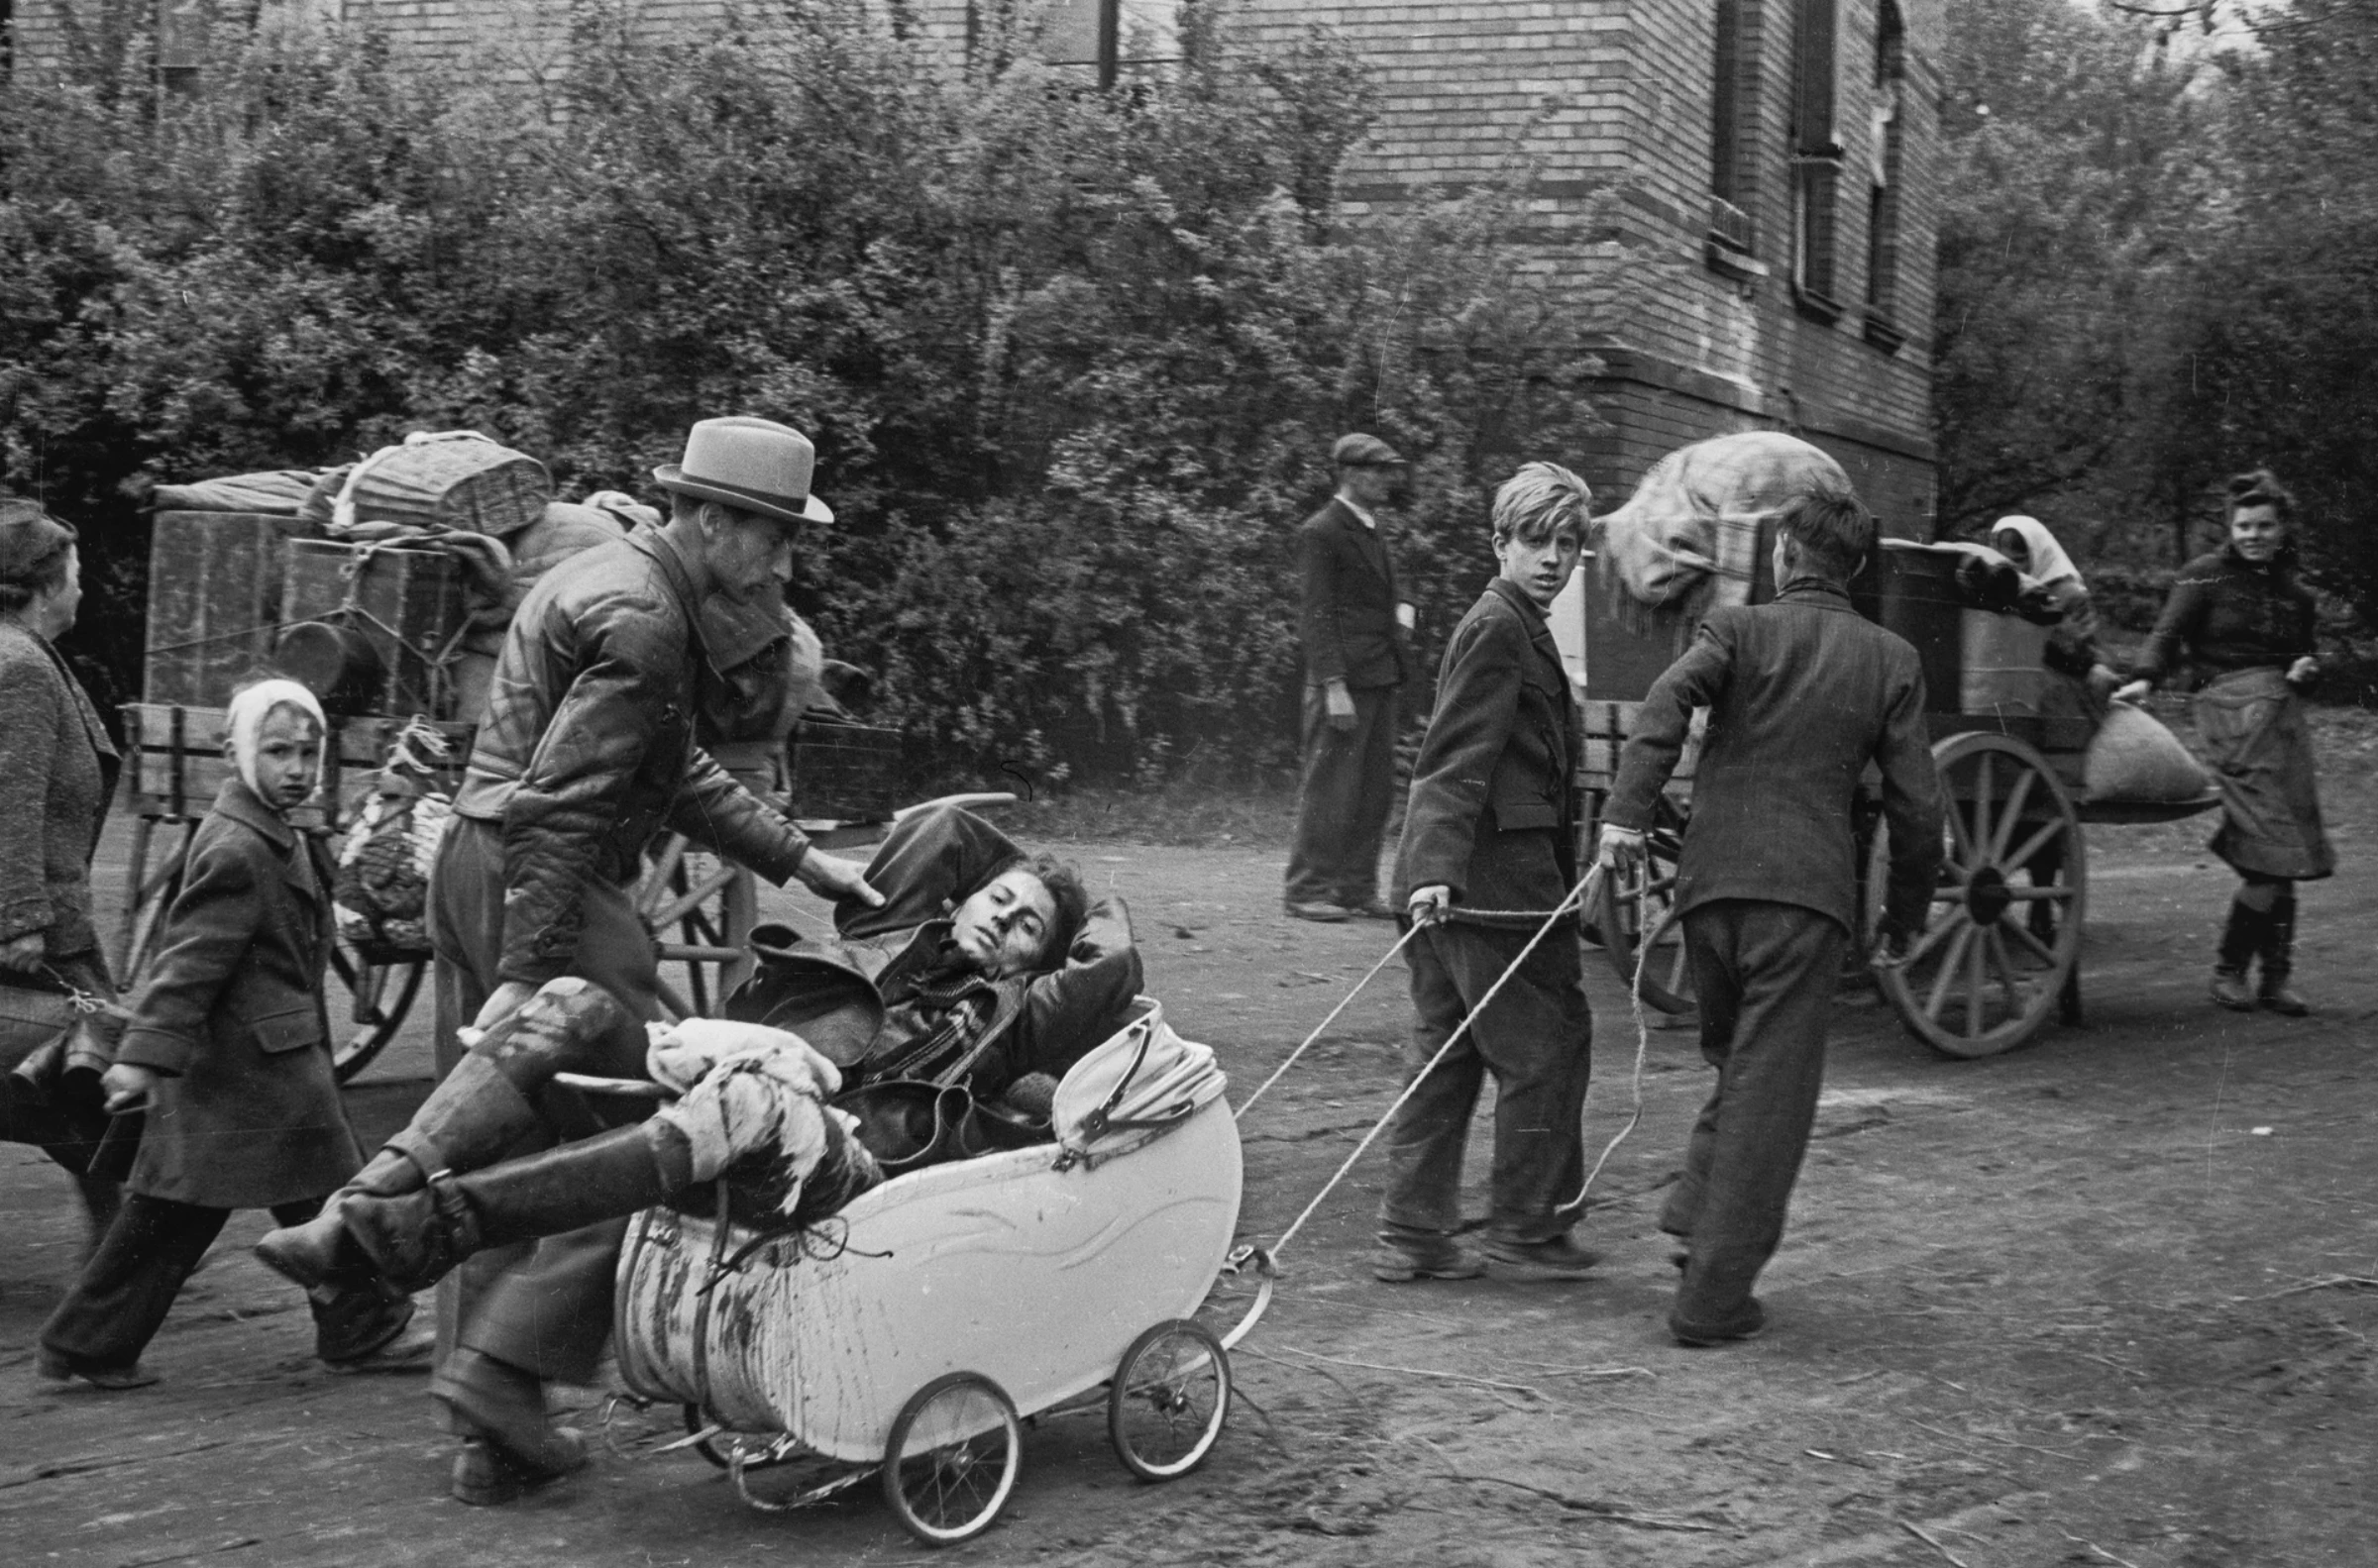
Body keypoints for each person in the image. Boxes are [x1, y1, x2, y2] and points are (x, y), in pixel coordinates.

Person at [267, 416, 882, 1503]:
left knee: (513, 1126)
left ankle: (485, 1431)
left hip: (475, 854)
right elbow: (561, 802)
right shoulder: (648, 616)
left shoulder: (622, 576)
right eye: (771, 534)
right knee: (649, 1137)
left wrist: (801, 861)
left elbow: (675, 768)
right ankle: (501, 1371)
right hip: (545, 875)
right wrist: (533, 966)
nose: (781, 562)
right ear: (703, 515)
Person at [255, 805, 1137, 1359]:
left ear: (1040, 956)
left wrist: (1064, 915)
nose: (1004, 922)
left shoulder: (1014, 1017)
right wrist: (1009, 867)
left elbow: (1113, 956)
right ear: (963, 897)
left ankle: (422, 1231)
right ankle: (360, 1207)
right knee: (572, 1002)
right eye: (998, 900)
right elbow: (945, 828)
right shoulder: (893, 926)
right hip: (742, 1082)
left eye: (1028, 927)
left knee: (747, 1100)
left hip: (850, 1159)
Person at [1601, 481, 1941, 1347]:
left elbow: (1668, 701)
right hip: (1806, 902)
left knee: (1737, 1064)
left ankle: (1691, 1224)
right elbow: (1916, 810)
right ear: (1855, 569)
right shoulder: (1891, 658)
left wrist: (1627, 814)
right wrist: (1902, 918)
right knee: (1773, 1097)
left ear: (1785, 556)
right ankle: (1713, 1300)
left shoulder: (1739, 628)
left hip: (1707, 895)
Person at [35, 681, 419, 1389]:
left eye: (308, 752)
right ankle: (90, 1342)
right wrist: (144, 1059)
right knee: (215, 1207)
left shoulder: (268, 829)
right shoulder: (239, 847)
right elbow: (186, 965)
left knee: (215, 1208)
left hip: (262, 1063)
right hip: (249, 1069)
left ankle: (91, 1341)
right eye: (277, 751)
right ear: (239, 754)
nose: (297, 767)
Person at [1373, 463, 1599, 1286]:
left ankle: (1413, 1232)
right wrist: (1436, 872)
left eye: (1567, 543)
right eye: (1535, 540)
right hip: (1488, 890)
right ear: (1499, 542)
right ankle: (1526, 1230)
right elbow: (1453, 757)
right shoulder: (1501, 625)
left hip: (1458, 886)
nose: (1552, 558)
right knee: (1547, 1050)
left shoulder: (1513, 621)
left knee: (1448, 1057)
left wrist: (1429, 875)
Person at [2114, 469, 2331, 1014]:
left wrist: (2306, 668)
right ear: (2230, 526)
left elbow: (2304, 658)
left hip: (2281, 721)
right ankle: (2229, 970)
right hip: (2228, 717)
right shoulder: (2203, 575)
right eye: (2244, 525)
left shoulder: (2296, 594)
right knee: (2270, 849)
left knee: (2288, 848)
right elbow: (2167, 633)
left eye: (2264, 526)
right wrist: (2145, 676)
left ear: (2281, 530)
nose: (2253, 534)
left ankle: (2275, 979)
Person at [0, 501, 123, 1254]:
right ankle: (119, 1249)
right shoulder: (20, 671)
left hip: (45, 908)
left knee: (71, 1075)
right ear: (46, 585)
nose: (83, 590)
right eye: (76, 576)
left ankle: (114, 1237)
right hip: (42, 921)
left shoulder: (21, 655)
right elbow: (10, 796)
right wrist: (18, 913)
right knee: (95, 1062)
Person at [1285, 433, 1415, 921]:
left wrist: (1403, 613)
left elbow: (1383, 593)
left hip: (1379, 675)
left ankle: (1356, 887)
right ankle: (1306, 889)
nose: (1388, 479)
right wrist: (1333, 685)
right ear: (1349, 473)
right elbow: (1315, 615)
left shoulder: (1369, 527)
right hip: (1343, 683)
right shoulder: (1321, 530)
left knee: (1374, 788)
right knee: (1330, 787)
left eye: (1389, 470)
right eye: (1378, 470)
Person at [1990, 515, 2121, 711]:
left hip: (2064, 682)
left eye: (2020, 560)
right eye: (2006, 560)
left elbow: (2085, 651)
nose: (2014, 568)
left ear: (2038, 554)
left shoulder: (2069, 593)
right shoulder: (2006, 587)